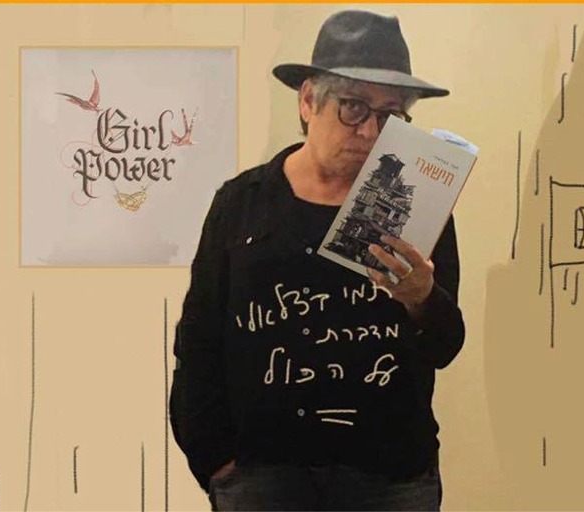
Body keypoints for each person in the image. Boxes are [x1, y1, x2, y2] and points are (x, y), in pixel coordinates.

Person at [170, 10, 465, 511]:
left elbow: (445, 344)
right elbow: (198, 342)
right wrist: (217, 462)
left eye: (391, 116)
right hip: (263, 477)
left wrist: (422, 299)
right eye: (353, 107)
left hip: (392, 478)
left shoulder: (417, 206)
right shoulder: (243, 203)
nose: (370, 131)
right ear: (308, 101)